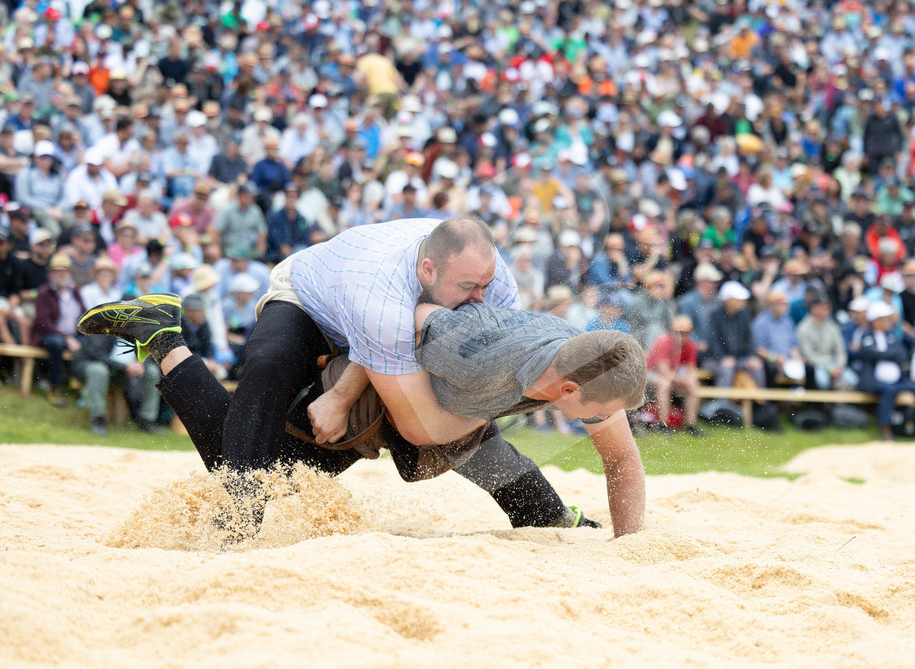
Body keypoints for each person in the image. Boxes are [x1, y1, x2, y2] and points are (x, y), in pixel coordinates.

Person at [80, 218, 606, 535]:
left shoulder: (488, 283)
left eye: (486, 284)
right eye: (469, 286)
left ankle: (165, 341)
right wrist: (341, 402)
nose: (481, 297)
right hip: (313, 300)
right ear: (428, 272)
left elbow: (460, 370)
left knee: (293, 458)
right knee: (265, 376)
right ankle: (238, 518)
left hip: (388, 342)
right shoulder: (378, 291)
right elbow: (383, 359)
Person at [854, 301, 915, 440]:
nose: (888, 322)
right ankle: (885, 428)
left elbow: (902, 354)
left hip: (896, 380)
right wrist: (889, 354)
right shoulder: (865, 336)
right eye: (885, 319)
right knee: (889, 391)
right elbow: (870, 353)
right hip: (875, 382)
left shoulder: (892, 336)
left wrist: (884, 353)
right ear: (876, 321)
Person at [72, 330, 162, 435]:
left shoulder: (140, 329)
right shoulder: (103, 327)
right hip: (97, 367)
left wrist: (141, 365)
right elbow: (97, 355)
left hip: (125, 372)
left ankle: (147, 420)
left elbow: (151, 351)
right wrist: (125, 367)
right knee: (98, 370)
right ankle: (98, 419)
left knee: (152, 371)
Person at [31, 252, 85, 406]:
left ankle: (78, 380)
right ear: (51, 274)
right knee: (56, 343)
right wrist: (67, 338)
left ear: (70, 273)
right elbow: (44, 323)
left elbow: (84, 314)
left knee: (91, 341)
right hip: (49, 335)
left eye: (65, 271)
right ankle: (55, 386)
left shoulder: (75, 292)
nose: (62, 274)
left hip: (73, 335)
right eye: (58, 271)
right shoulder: (44, 293)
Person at [646, 315, 703, 437]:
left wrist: (689, 382)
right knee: (664, 384)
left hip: (672, 376)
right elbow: (663, 371)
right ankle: (663, 424)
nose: (681, 336)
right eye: (678, 333)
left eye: (684, 333)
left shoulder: (690, 346)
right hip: (651, 374)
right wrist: (685, 382)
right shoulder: (663, 342)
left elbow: (690, 370)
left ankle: (691, 425)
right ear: (672, 332)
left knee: (693, 386)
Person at [706, 281, 765, 388]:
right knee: (726, 370)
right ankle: (722, 403)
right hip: (714, 359)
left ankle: (760, 403)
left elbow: (750, 338)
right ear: (729, 300)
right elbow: (713, 340)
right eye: (739, 299)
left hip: (738, 358)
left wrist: (751, 356)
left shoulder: (744, 314)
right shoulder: (715, 315)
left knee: (756, 366)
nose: (742, 302)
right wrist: (722, 358)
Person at [796, 293, 848, 390]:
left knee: (852, 380)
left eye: (827, 306)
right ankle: (822, 405)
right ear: (813, 308)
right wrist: (829, 367)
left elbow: (840, 350)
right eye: (822, 306)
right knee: (822, 381)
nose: (827, 309)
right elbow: (808, 355)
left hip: (834, 364)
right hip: (818, 365)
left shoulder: (833, 326)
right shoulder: (803, 328)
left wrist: (839, 366)